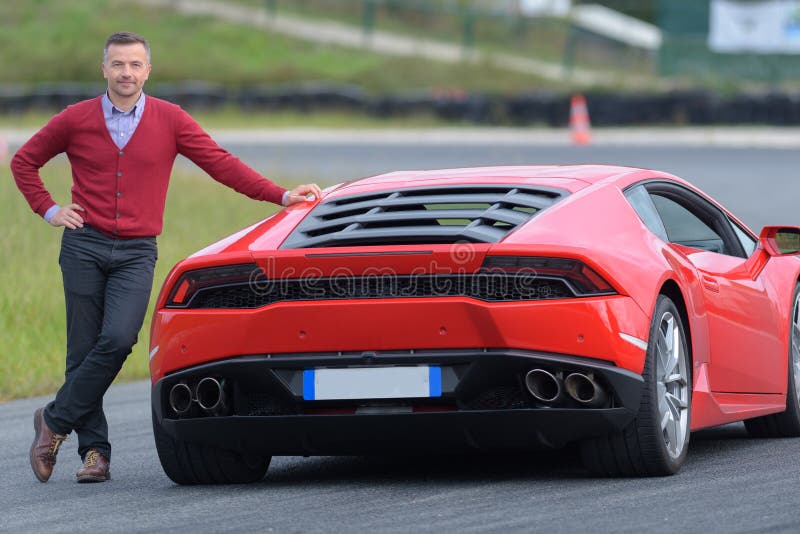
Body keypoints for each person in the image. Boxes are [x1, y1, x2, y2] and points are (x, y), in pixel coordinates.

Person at [11, 31, 322, 483]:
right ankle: (95, 453)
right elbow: (24, 161)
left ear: (147, 71)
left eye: (135, 65)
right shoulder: (75, 119)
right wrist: (51, 209)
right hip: (83, 245)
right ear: (104, 69)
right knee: (82, 351)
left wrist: (278, 194)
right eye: (118, 65)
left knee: (118, 340)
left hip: (137, 251)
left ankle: (53, 420)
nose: (126, 73)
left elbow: (219, 162)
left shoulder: (170, 119)